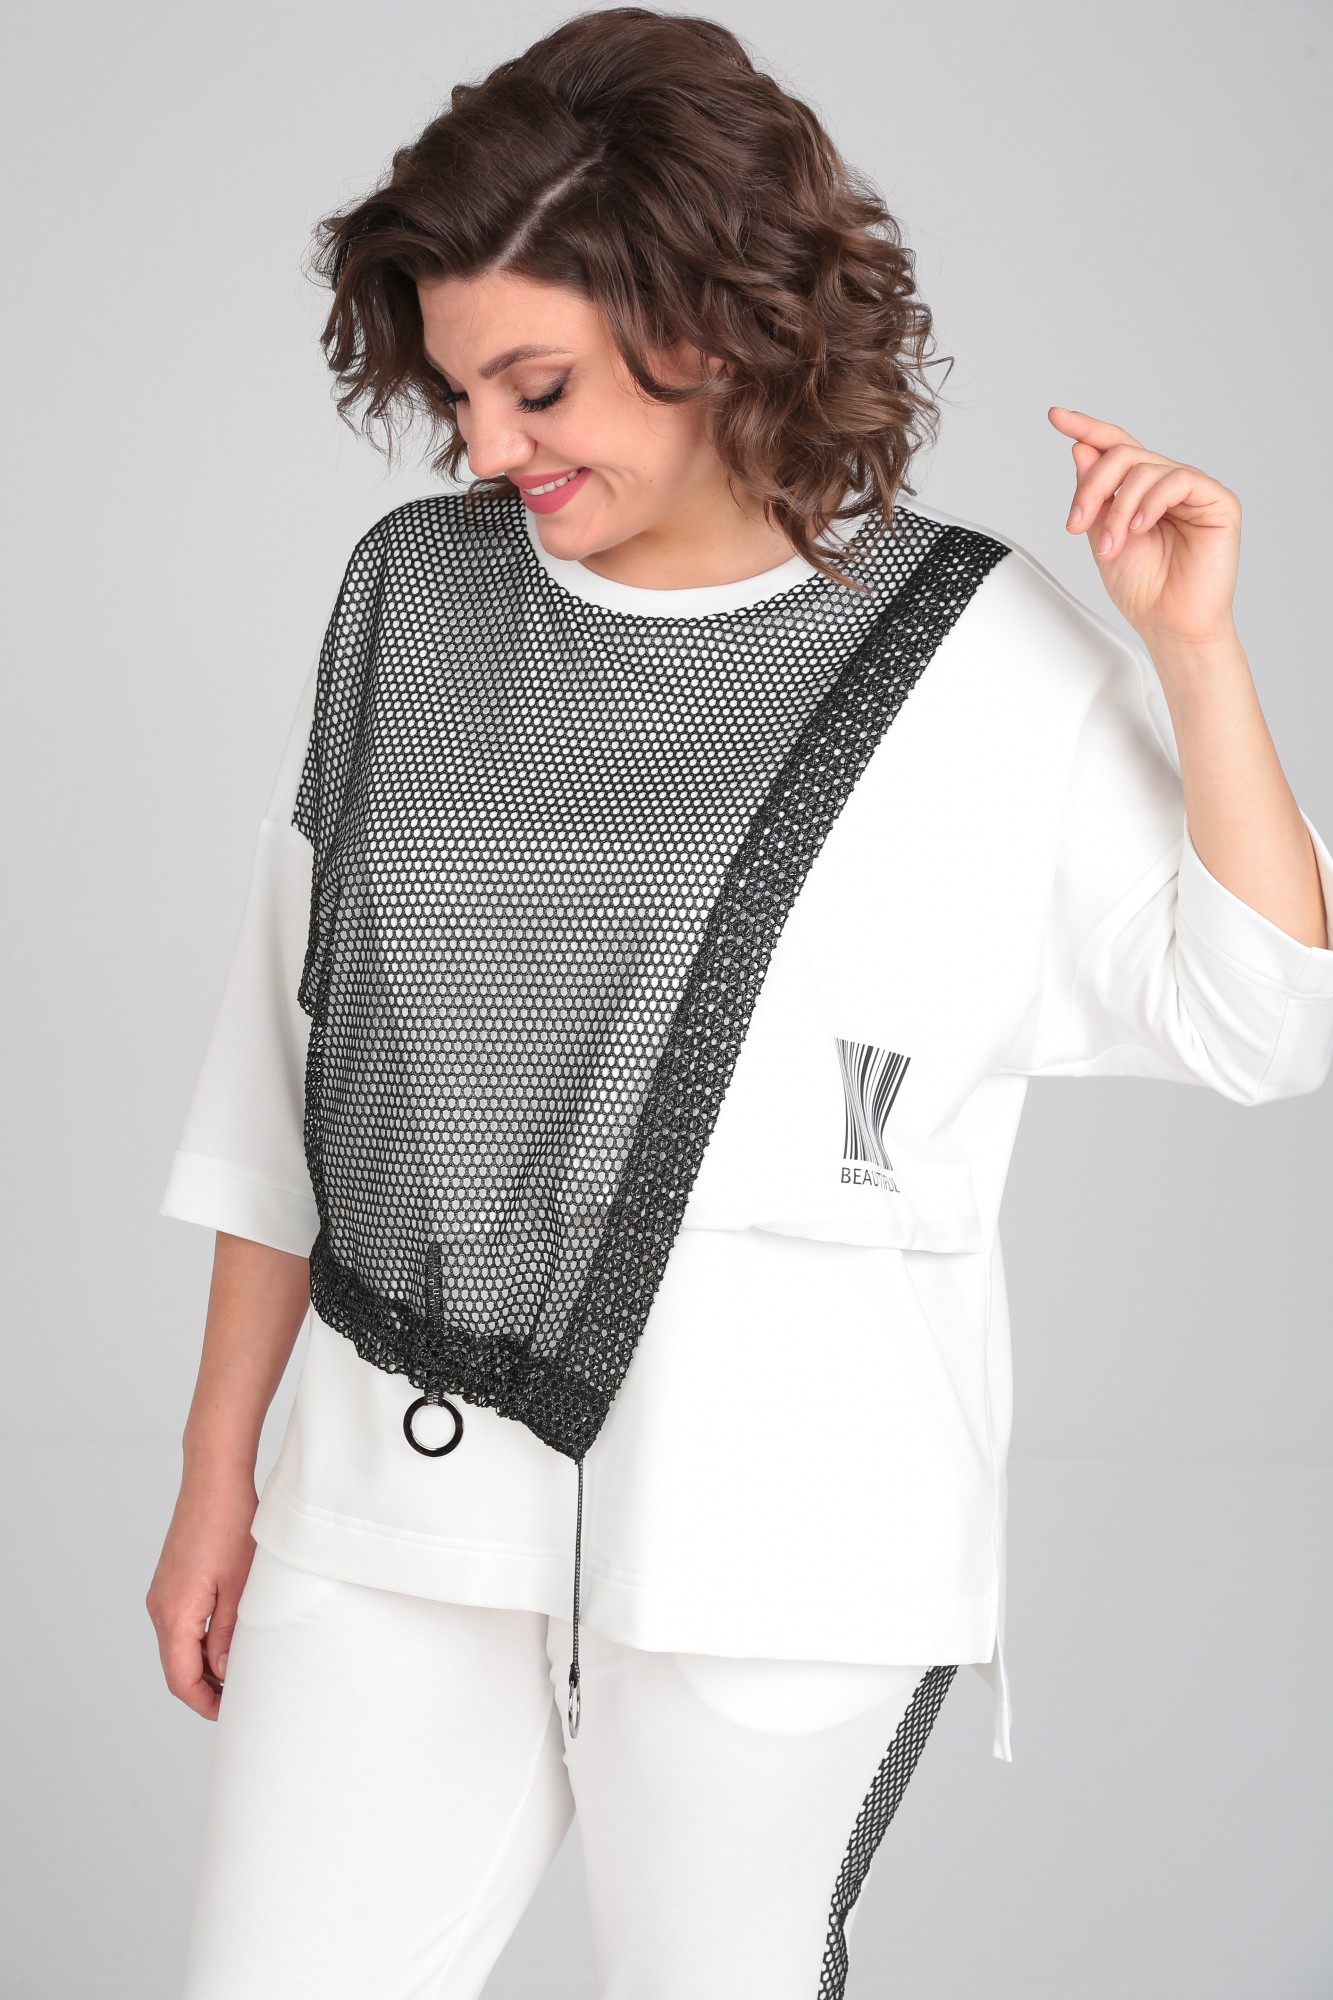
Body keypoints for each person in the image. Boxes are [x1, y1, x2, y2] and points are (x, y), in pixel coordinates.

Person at [146, 10, 1333, 1998]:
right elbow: (289, 1067)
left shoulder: (972, 646)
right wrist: (215, 1482)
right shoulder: (414, 603)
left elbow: (1263, 1019)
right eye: (459, 392)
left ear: (704, 324)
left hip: (788, 1536)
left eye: (537, 387)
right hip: (394, 1497)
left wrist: (1195, 659)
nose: (488, 449)